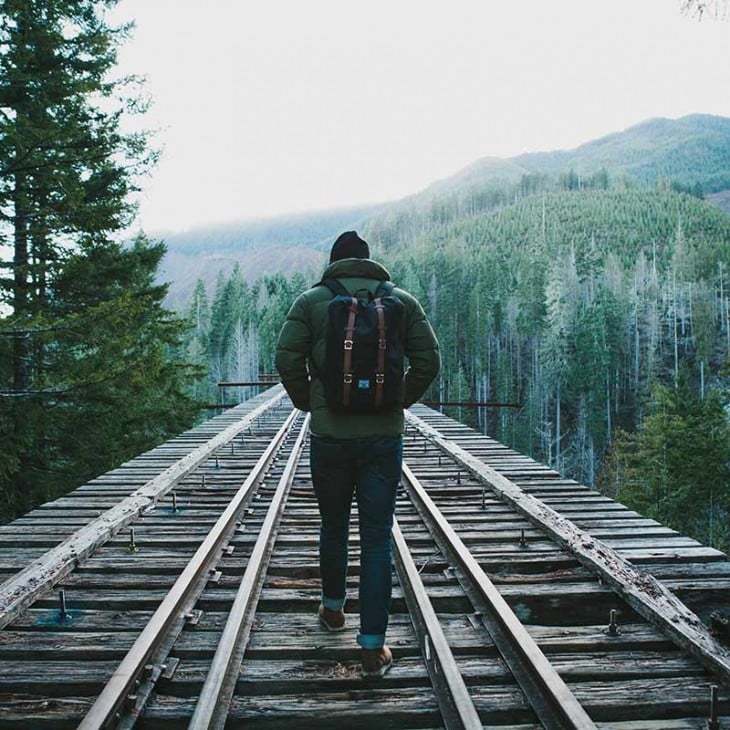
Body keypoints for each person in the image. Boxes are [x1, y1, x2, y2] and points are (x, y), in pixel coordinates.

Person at [275, 231, 440, 677]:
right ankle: (372, 648)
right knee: (376, 538)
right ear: (368, 263)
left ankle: (332, 610)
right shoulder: (402, 302)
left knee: (333, 525)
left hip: (330, 438)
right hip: (383, 439)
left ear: (334, 264)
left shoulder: (310, 302)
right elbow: (430, 362)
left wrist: (310, 402)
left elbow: (287, 359)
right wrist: (396, 401)